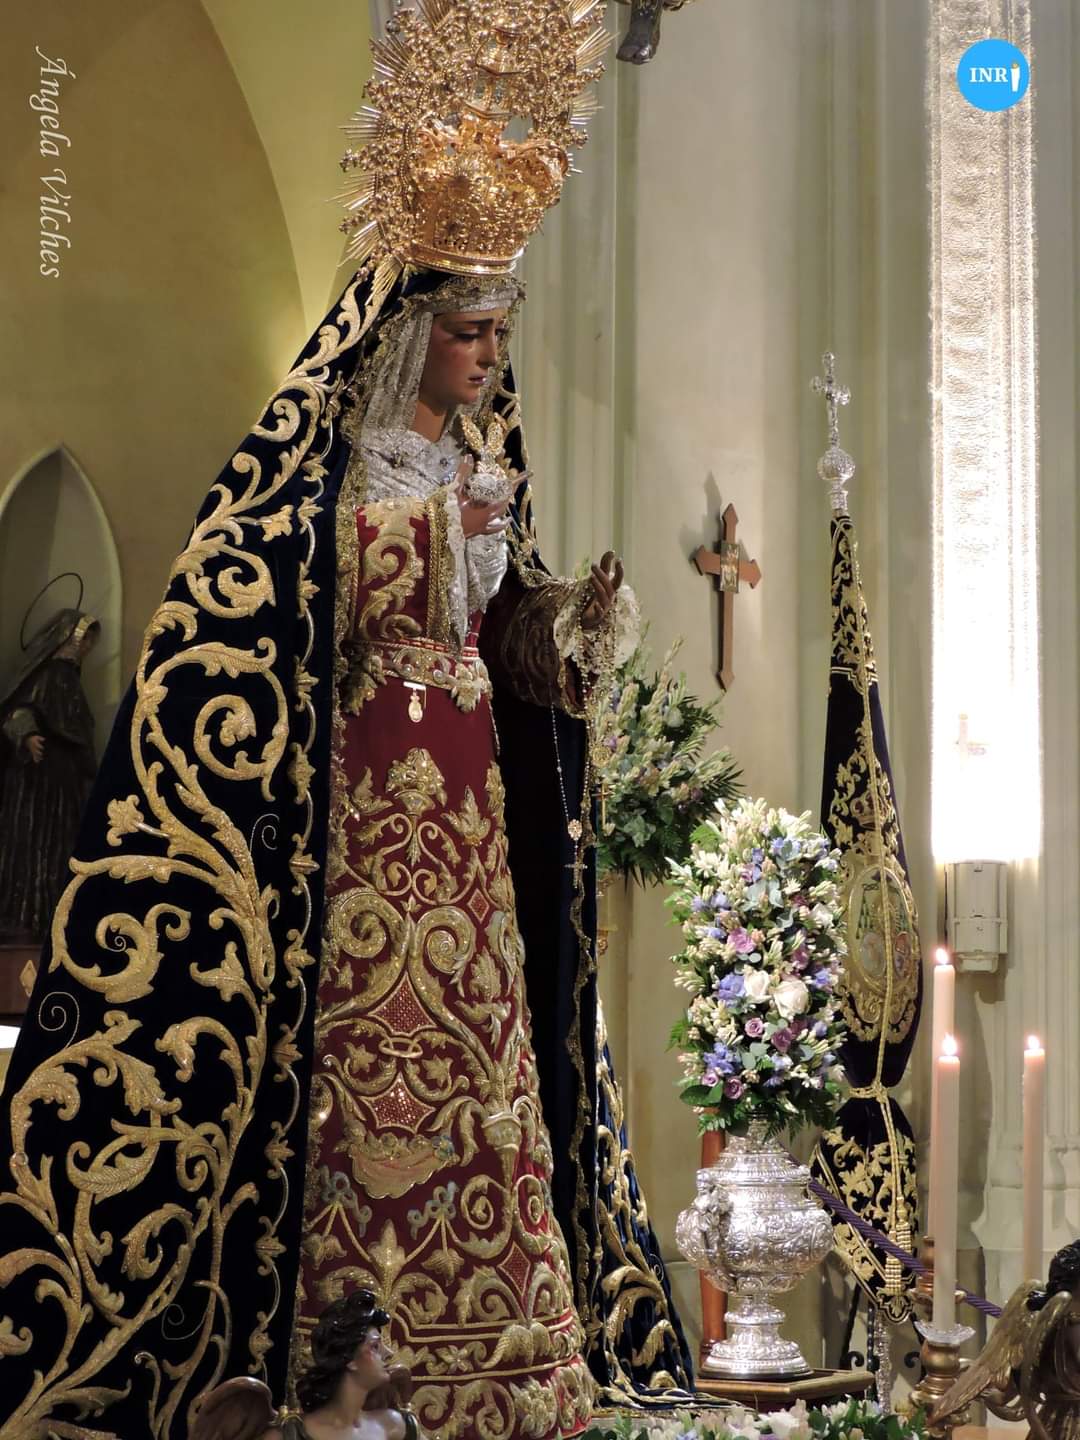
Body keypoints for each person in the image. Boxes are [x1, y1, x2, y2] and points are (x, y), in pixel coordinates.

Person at [0, 5, 691, 1438]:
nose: (488, 358)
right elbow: (258, 578)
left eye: (499, 334)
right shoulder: (336, 455)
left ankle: (508, 1358)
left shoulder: (482, 467)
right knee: (371, 1048)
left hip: (470, 811)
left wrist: (565, 623)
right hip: (367, 804)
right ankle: (343, 1350)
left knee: (486, 1048)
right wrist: (425, 542)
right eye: (469, 333)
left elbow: (498, 637)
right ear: (412, 331)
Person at [0, 604, 99, 942]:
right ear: (67, 638)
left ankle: (50, 913)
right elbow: (18, 711)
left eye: (90, 641)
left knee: (56, 845)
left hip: (62, 779)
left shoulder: (69, 679)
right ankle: (30, 914)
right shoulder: (50, 674)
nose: (87, 647)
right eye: (84, 639)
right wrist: (27, 735)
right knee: (35, 845)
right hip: (38, 779)